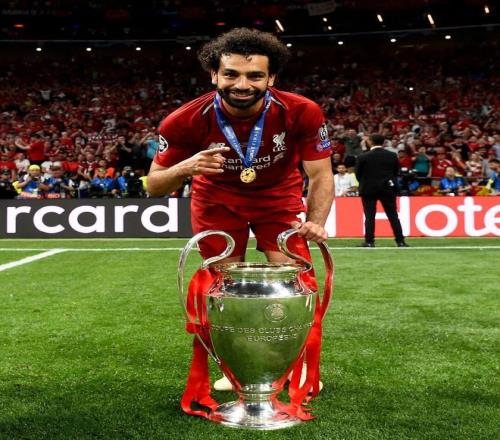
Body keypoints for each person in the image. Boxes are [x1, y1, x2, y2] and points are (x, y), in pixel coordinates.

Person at [147, 28, 334, 391]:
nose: (242, 84)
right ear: (214, 75)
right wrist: (187, 167)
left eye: (255, 75)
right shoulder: (184, 119)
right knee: (223, 286)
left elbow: (321, 174)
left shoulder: (301, 111)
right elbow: (155, 185)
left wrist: (315, 222)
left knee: (296, 280)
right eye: (231, 74)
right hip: (216, 200)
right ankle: (235, 367)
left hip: (277, 198)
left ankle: (298, 366)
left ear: (271, 78)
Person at [355, 134, 408, 247]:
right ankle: (400, 241)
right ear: (383, 142)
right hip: (387, 188)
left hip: (369, 189)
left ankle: (369, 241)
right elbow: (396, 172)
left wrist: (367, 182)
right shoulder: (392, 155)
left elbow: (358, 174)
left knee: (369, 216)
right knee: (393, 215)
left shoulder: (363, 157)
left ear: (370, 142)